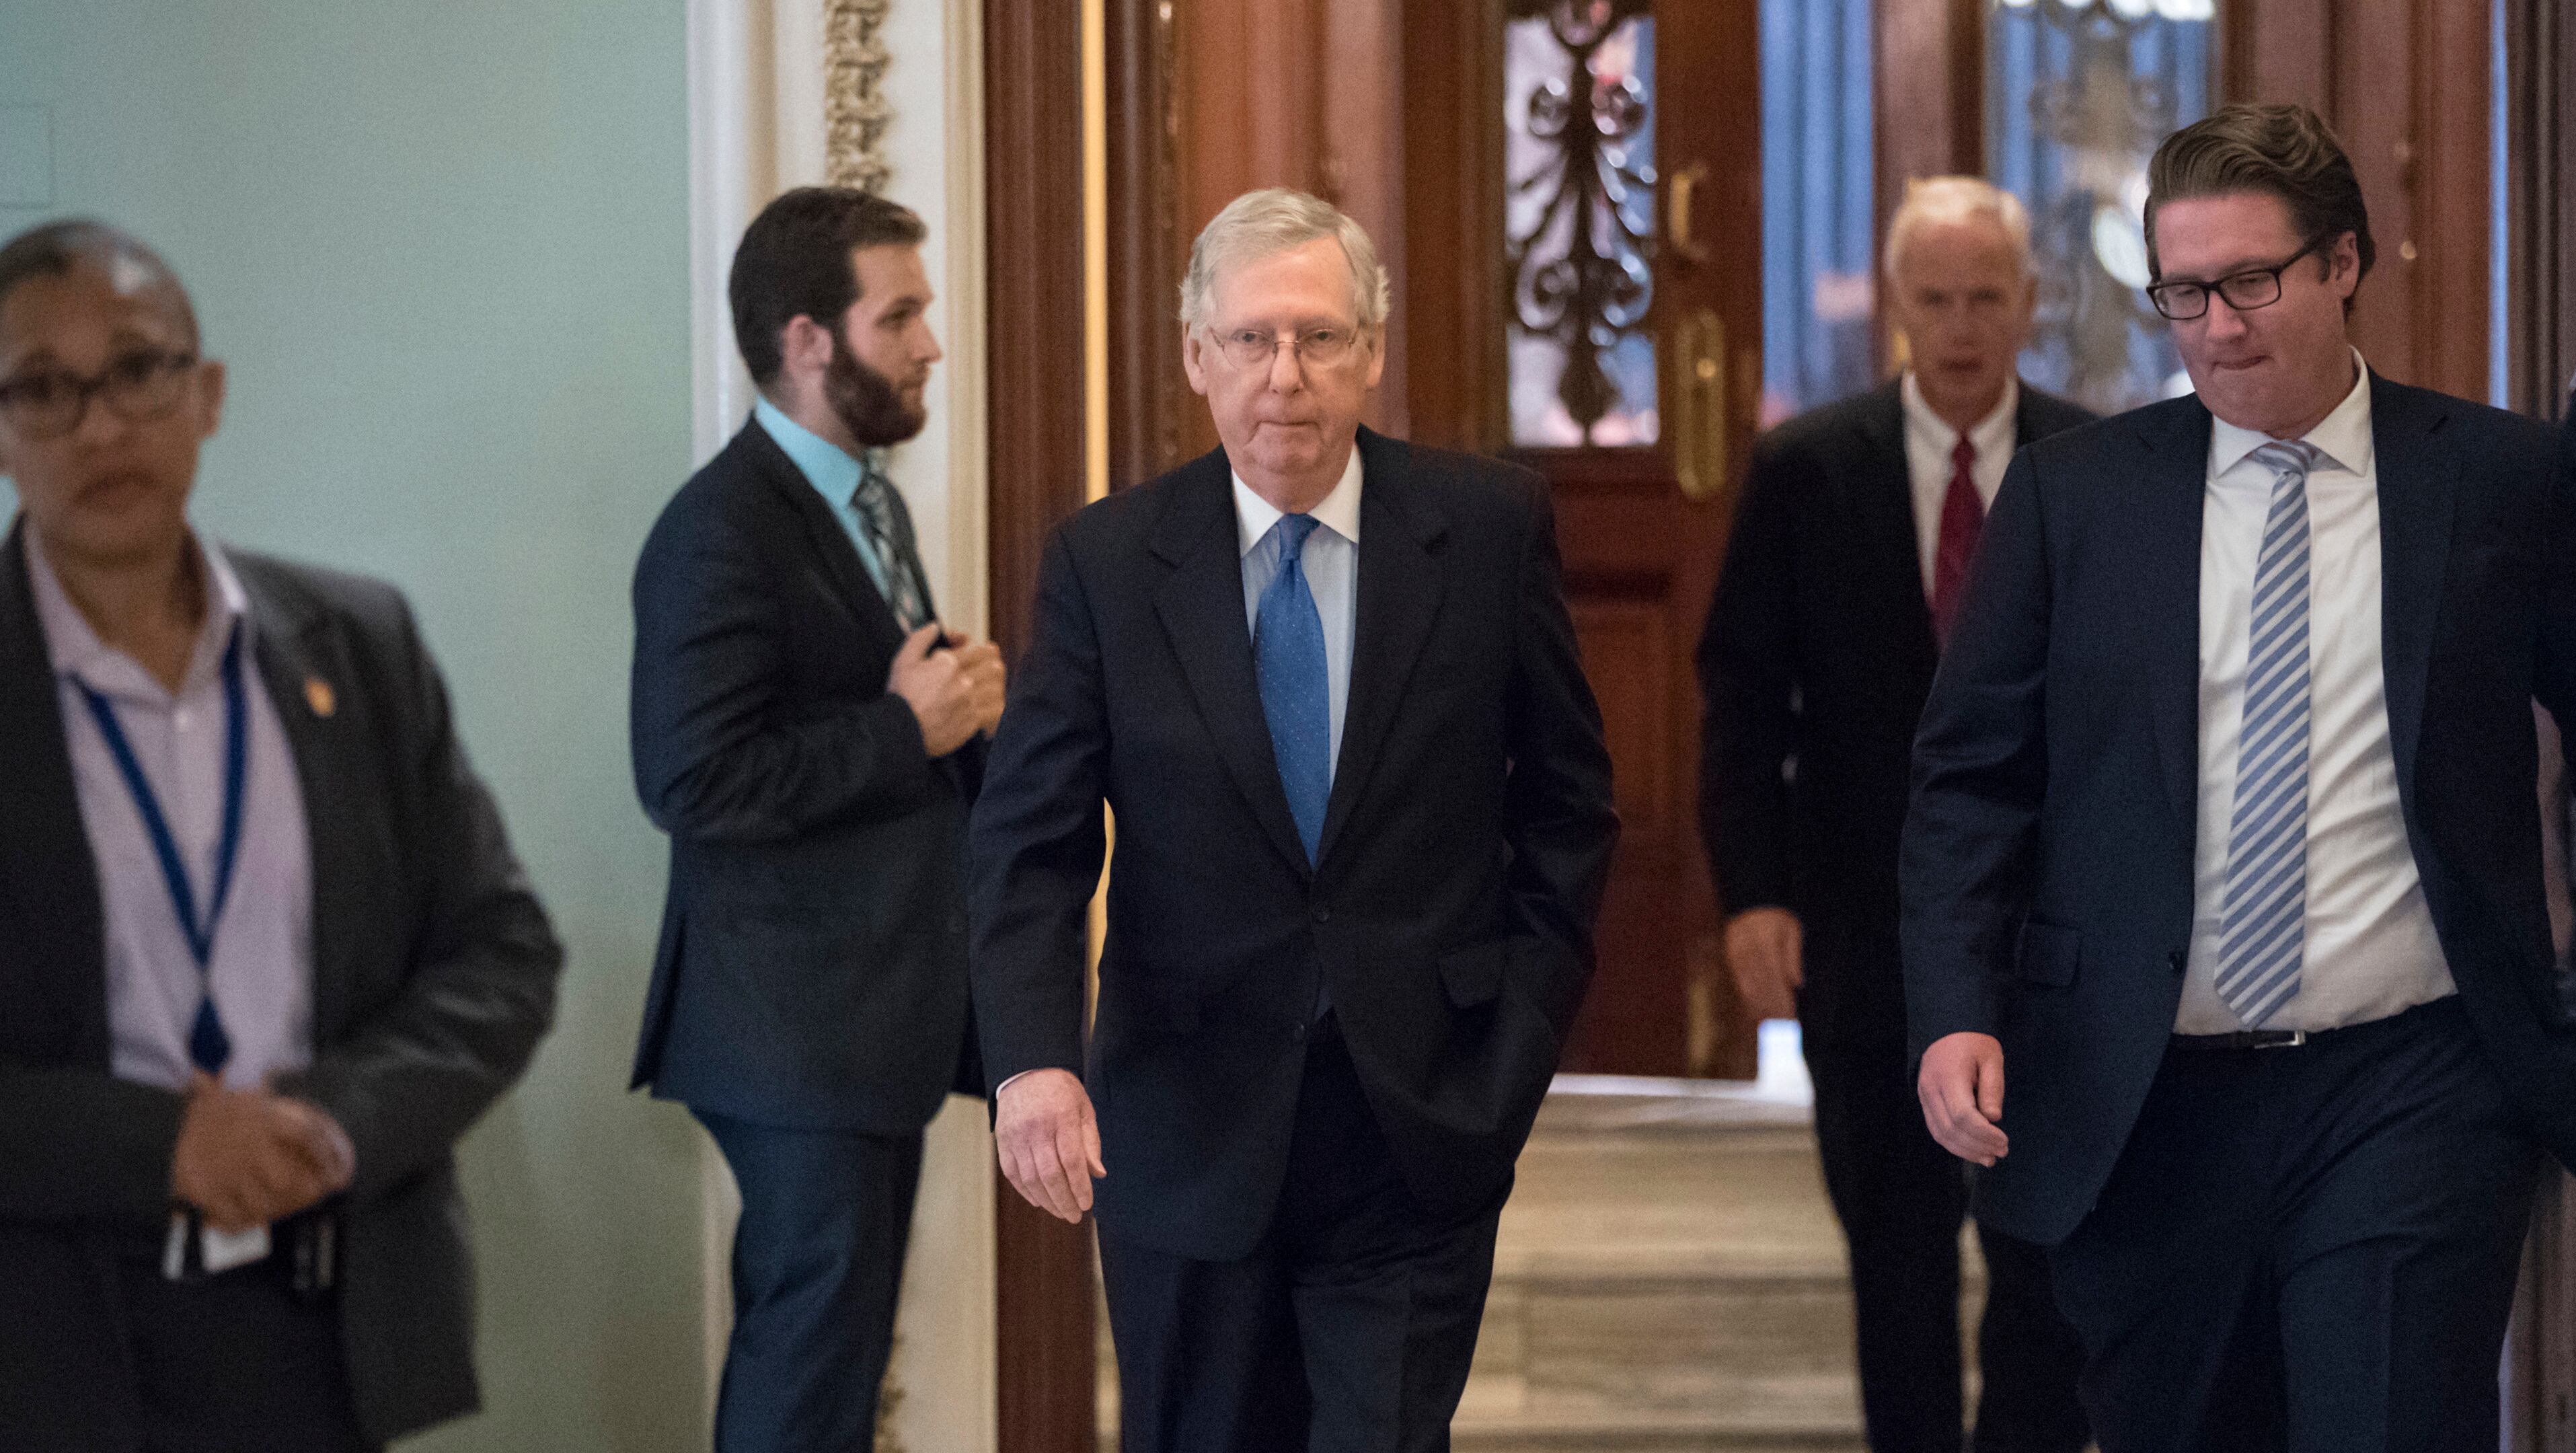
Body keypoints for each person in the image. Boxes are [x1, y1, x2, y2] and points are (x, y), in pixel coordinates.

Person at [1903, 104, 2576, 1452]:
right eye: (2184, 292)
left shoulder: (2501, 483)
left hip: (2415, 1078)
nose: (2217, 325)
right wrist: (1956, 1007)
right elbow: (1972, 778)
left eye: (2252, 283)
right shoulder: (2075, 500)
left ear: (2344, 264)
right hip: (2147, 1095)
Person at [969, 188, 1619, 1452]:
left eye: (1321, 339)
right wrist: (1032, 1059)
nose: (1287, 378)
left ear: (1372, 353)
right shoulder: (1107, 563)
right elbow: (1029, 841)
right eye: (1254, 340)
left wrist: (1519, 1034)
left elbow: (1568, 804)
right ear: (1196, 358)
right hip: (1184, 1124)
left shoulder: (1486, 530)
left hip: (1421, 1112)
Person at [0, 220, 562, 1451]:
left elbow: (505, 952)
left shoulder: (359, 648)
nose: (99, 424)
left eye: (139, 369)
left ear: (207, 395)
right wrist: (167, 1146)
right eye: (44, 388)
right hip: (52, 1338)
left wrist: (335, 1115)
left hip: (331, 1318)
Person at [1699, 176, 2092, 1453]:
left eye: (1989, 296)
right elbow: (1745, 703)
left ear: (2032, 306)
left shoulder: (2095, 471)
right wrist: (1753, 893)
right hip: (1861, 929)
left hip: (2055, 941)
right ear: (1895, 312)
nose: (1964, 324)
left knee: (2043, 1262)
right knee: (1898, 1257)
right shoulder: (1807, 469)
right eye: (1937, 298)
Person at [628, 186, 1003, 1452]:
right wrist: (908, 730)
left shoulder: (874, 505)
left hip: (865, 1018)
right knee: (807, 1371)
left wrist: (960, 713)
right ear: (806, 341)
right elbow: (691, 780)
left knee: (834, 1371)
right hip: (790, 1033)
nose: (929, 345)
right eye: (900, 316)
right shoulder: (716, 531)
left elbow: (881, 721)